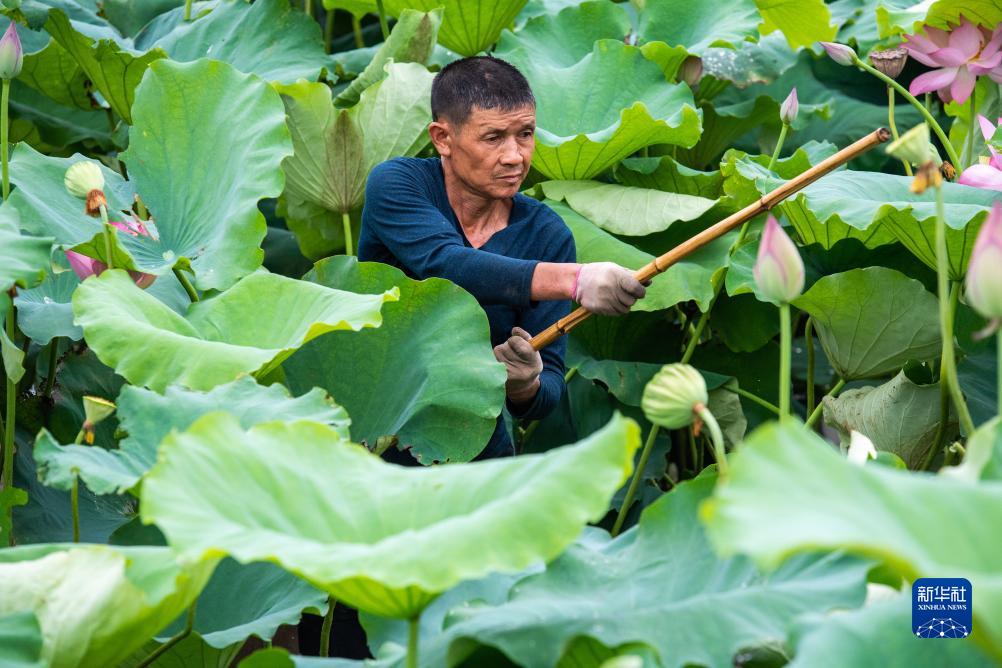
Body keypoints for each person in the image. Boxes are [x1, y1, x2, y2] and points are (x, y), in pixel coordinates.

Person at [358, 55, 646, 463]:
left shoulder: (547, 235)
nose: (515, 156)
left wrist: (524, 384)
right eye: (493, 138)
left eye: (525, 134)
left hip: (473, 450)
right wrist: (576, 280)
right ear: (443, 138)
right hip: (371, 433)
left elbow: (549, 386)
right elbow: (446, 264)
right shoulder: (398, 184)